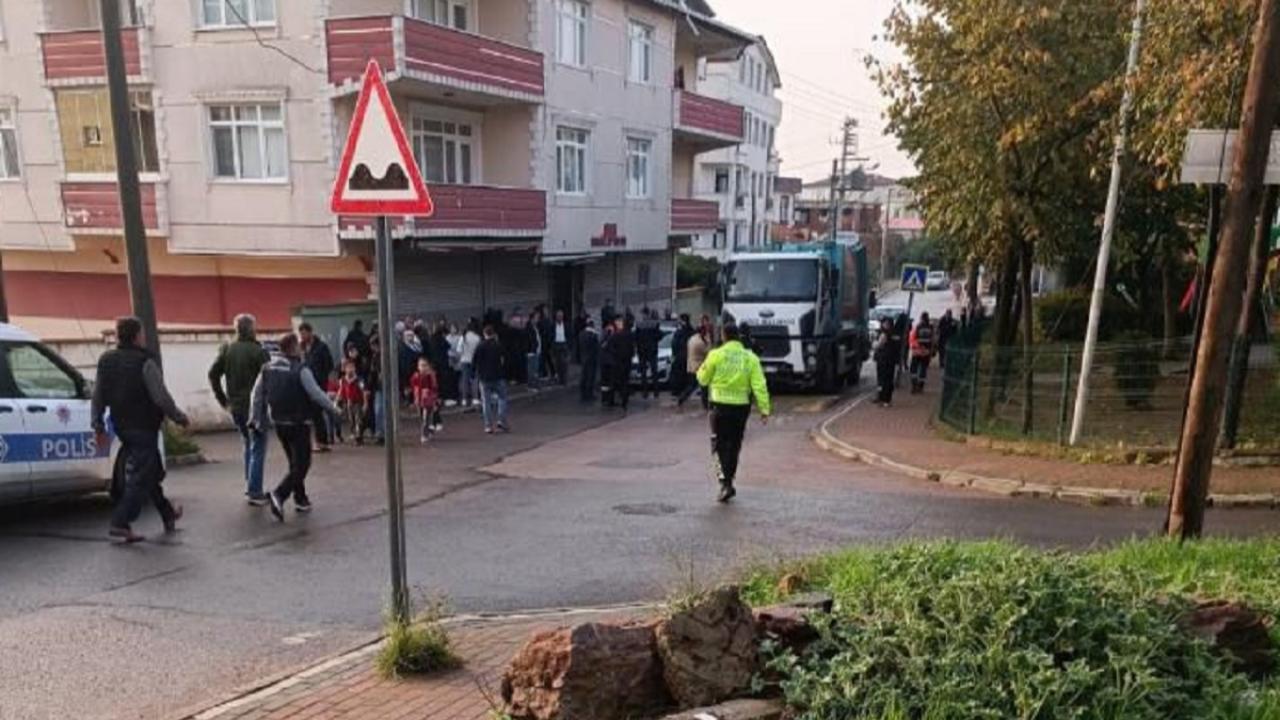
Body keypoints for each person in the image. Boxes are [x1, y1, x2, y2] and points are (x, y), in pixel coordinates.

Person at [93, 317, 191, 543]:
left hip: (122, 424)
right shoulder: (145, 361)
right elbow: (160, 396)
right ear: (137, 335)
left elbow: (98, 395)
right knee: (140, 476)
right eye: (142, 333)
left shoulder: (106, 360)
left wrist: (97, 424)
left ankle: (167, 514)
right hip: (144, 425)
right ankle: (120, 522)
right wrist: (179, 417)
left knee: (151, 471)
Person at [250, 332, 340, 521]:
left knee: (294, 462)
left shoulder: (266, 368)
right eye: (298, 346)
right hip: (299, 422)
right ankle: (280, 494)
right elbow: (315, 393)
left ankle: (301, 499)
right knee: (303, 464)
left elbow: (257, 395)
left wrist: (255, 418)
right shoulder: (300, 369)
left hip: (279, 423)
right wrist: (333, 409)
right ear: (293, 348)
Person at [696, 321, 772, 503]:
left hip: (718, 406)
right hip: (740, 407)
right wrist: (764, 408)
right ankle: (730, 478)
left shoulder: (716, 355)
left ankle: (724, 482)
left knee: (717, 445)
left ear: (723, 335)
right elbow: (759, 384)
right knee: (734, 445)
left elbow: (702, 379)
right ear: (738, 336)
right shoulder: (750, 357)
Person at [208, 313, 270, 505]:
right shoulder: (258, 351)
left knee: (247, 443)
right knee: (258, 446)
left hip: (235, 406)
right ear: (251, 329)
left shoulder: (227, 349)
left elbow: (213, 374)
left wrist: (222, 399)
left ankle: (250, 484)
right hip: (255, 407)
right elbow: (270, 379)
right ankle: (254, 491)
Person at [298, 323, 335, 452]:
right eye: (301, 333)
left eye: (304, 333)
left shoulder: (321, 347)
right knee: (312, 414)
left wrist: (322, 376)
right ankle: (318, 440)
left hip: (319, 384)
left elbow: (329, 364)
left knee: (318, 413)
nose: (302, 336)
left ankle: (322, 441)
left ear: (310, 332)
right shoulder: (301, 347)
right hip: (305, 384)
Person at [474, 325, 509, 433]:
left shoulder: (480, 346)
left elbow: (475, 361)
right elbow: (504, 359)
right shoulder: (498, 345)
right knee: (502, 398)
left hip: (484, 378)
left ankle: (488, 426)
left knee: (486, 402)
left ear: (484, 334)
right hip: (498, 376)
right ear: (493, 334)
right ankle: (501, 421)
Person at [677, 315, 712, 410]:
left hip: (692, 366)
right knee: (702, 386)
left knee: (693, 386)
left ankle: (682, 399)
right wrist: (708, 341)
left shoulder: (693, 338)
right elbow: (708, 352)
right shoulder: (700, 342)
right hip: (697, 367)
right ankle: (705, 406)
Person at [333, 359, 367, 444]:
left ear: (355, 368)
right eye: (348, 367)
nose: (350, 369)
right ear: (345, 369)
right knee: (351, 419)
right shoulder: (343, 380)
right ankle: (354, 433)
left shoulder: (359, 379)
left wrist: (365, 403)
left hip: (357, 402)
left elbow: (363, 391)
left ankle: (358, 436)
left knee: (358, 419)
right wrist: (336, 402)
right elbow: (340, 391)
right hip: (348, 403)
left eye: (352, 367)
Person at [410, 357, 441, 443]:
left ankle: (424, 434)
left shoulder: (431, 376)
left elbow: (434, 388)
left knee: (425, 417)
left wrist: (435, 400)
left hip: (428, 401)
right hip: (419, 400)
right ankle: (429, 430)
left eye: (425, 365)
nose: (423, 368)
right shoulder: (415, 376)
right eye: (421, 365)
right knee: (421, 417)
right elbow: (413, 388)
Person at [606, 316, 635, 411]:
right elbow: (632, 348)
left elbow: (610, 346)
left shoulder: (617, 335)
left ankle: (611, 400)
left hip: (617, 361)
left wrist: (614, 356)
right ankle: (624, 401)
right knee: (625, 381)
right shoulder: (630, 335)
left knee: (614, 381)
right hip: (627, 362)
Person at [872, 317, 900, 407]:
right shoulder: (895, 334)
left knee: (882, 380)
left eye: (884, 323)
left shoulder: (884, 334)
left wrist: (874, 344)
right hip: (891, 360)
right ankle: (887, 400)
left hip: (883, 360)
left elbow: (877, 345)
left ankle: (882, 398)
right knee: (889, 379)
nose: (883, 325)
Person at [635, 308, 662, 399]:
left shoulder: (639, 325)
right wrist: (653, 342)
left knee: (643, 373)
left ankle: (645, 392)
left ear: (643, 314)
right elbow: (659, 335)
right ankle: (656, 392)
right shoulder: (654, 324)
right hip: (652, 350)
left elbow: (636, 338)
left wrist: (639, 345)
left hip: (642, 351)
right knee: (654, 372)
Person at [909, 312, 936, 394]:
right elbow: (933, 340)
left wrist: (915, 346)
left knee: (913, 369)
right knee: (923, 369)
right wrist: (931, 350)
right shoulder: (931, 328)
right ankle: (920, 387)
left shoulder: (917, 327)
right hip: (926, 352)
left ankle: (914, 386)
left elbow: (912, 338)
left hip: (917, 351)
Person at [458, 318, 482, 408]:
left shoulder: (463, 337)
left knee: (465, 380)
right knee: (475, 380)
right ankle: (475, 398)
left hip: (464, 360)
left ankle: (464, 399)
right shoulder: (477, 337)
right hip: (474, 361)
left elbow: (459, 349)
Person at [669, 314, 693, 399]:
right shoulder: (691, 331)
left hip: (680, 357)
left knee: (678, 375)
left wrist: (674, 354)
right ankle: (684, 392)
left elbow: (674, 344)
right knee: (686, 376)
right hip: (688, 356)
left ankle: (678, 392)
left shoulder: (680, 332)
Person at [577, 318, 601, 402]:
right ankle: (589, 394)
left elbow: (579, 346)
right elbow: (597, 348)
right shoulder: (593, 335)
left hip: (584, 357)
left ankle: (583, 393)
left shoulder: (581, 334)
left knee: (584, 376)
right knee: (591, 377)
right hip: (592, 359)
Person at [524, 309, 544, 391]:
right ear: (532, 319)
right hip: (531, 352)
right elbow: (528, 340)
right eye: (536, 318)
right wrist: (530, 349)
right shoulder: (528, 327)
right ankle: (531, 386)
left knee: (535, 370)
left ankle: (535, 385)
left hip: (536, 351)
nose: (538, 319)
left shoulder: (535, 327)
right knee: (532, 371)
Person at [551, 309, 572, 385]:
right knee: (557, 363)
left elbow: (570, 335)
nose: (560, 318)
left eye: (561, 316)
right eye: (558, 316)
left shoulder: (566, 325)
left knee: (564, 363)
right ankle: (560, 379)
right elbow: (550, 335)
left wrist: (569, 345)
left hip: (564, 344)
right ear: (556, 317)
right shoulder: (553, 325)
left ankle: (564, 380)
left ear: (563, 317)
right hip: (556, 344)